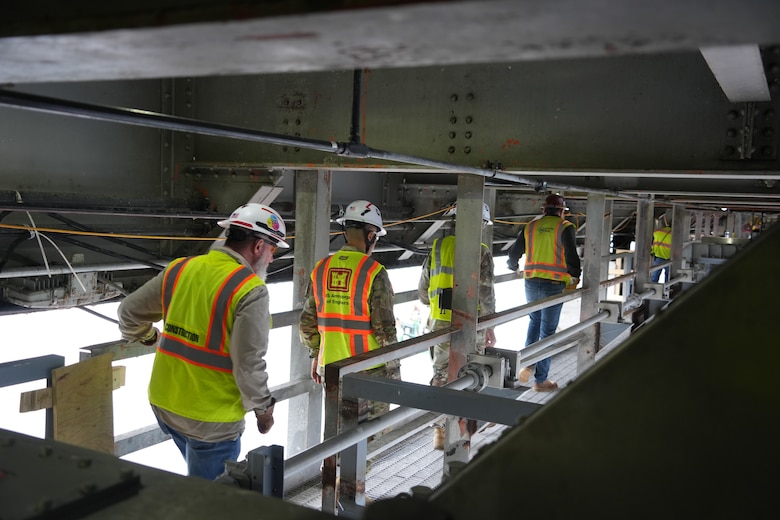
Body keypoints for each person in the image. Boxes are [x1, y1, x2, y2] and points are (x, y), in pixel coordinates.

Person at [118, 202, 287, 480]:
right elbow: (248, 365)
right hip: (212, 420)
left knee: (197, 483)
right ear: (258, 246)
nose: (271, 259)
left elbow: (128, 313)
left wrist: (149, 337)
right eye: (273, 250)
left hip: (165, 405)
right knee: (211, 498)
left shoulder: (181, 268)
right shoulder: (250, 290)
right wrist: (263, 410)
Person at [299, 199, 401, 424]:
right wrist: (394, 371)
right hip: (369, 371)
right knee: (370, 436)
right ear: (371, 235)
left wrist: (316, 355)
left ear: (346, 233)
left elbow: (307, 324)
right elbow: (384, 329)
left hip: (332, 369)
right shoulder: (374, 272)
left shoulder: (321, 269)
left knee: (337, 432)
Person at [418, 202, 496, 449]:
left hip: (440, 321)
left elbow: (423, 290)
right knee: (472, 372)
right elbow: (486, 293)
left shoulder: (438, 246)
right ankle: (464, 432)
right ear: (480, 223)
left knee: (442, 374)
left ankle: (441, 430)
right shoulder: (481, 251)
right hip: (472, 323)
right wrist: (491, 325)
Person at [507, 194, 581, 392]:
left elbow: (514, 253)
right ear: (562, 211)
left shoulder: (531, 226)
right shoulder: (565, 227)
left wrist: (512, 266)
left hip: (531, 282)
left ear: (543, 210)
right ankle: (540, 381)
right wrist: (575, 276)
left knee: (534, 322)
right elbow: (571, 255)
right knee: (547, 332)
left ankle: (527, 363)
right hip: (553, 284)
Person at [651, 211, 672, 282]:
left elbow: (652, 243)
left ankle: (653, 287)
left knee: (654, 278)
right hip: (669, 259)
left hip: (658, 257)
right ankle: (667, 287)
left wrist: (652, 252)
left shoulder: (657, 232)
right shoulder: (674, 235)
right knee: (668, 278)